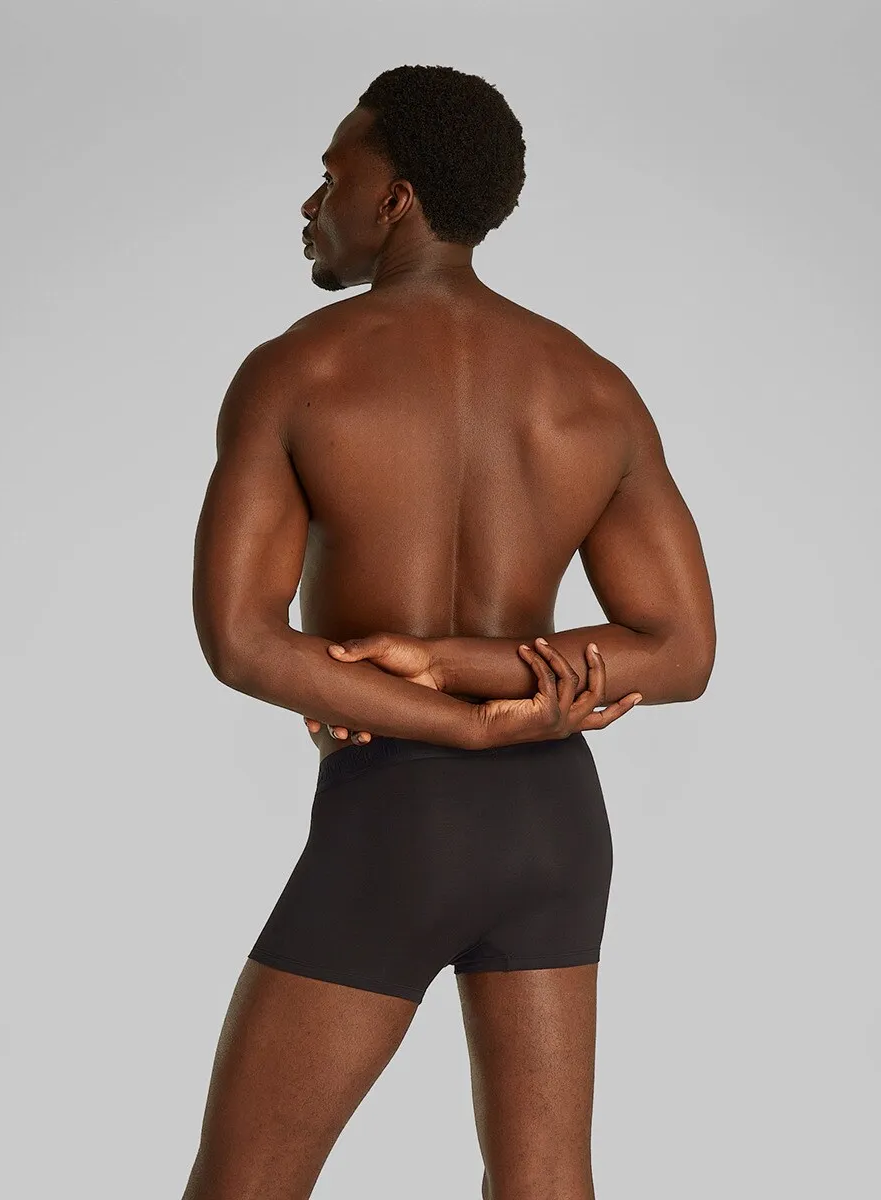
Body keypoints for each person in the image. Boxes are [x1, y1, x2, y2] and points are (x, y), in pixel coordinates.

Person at [185, 63, 715, 1200]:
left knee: (244, 1185)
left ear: (395, 200)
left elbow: (240, 640)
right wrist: (477, 680)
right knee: (544, 1186)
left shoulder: (298, 372)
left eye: (331, 176)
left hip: (399, 815)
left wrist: (447, 711)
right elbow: (677, 648)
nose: (311, 203)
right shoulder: (591, 388)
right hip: (555, 820)